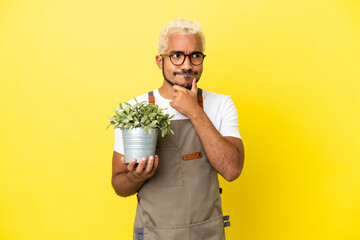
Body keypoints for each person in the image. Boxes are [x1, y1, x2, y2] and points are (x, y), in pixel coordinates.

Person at [111, 18, 244, 240]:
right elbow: (118, 184)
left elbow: (232, 170)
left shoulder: (222, 104)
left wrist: (194, 111)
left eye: (195, 56)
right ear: (159, 61)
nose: (187, 65)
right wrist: (135, 178)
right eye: (176, 55)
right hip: (154, 234)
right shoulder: (134, 110)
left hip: (207, 233)